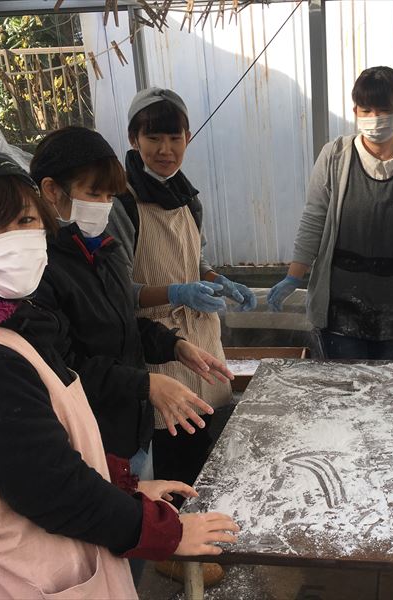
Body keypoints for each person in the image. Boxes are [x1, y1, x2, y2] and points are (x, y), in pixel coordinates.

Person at [0, 146, 239, 598]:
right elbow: (56, 490)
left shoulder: (5, 317)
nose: (16, 239)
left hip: (80, 505)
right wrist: (166, 533)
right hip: (18, 578)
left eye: (25, 220)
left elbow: (39, 453)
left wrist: (125, 486)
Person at [29, 126, 232, 479]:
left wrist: (173, 345)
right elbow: (63, 366)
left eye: (110, 196)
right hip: (90, 440)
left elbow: (123, 323)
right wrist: (146, 384)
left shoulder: (102, 251)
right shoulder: (39, 270)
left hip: (131, 429)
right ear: (51, 190)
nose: (104, 206)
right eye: (93, 193)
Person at [111, 88, 257, 488]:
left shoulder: (189, 199)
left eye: (175, 138)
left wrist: (220, 282)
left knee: (213, 458)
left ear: (188, 138)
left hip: (204, 345)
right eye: (153, 138)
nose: (165, 149)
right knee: (174, 467)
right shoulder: (121, 204)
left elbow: (198, 263)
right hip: (159, 351)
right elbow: (118, 291)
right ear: (133, 139)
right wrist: (175, 293)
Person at [266, 66, 393, 360]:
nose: (374, 118)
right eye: (366, 110)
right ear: (355, 111)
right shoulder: (335, 156)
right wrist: (293, 277)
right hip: (339, 305)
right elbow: (314, 219)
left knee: (386, 384)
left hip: (392, 308)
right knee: (343, 384)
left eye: (384, 110)